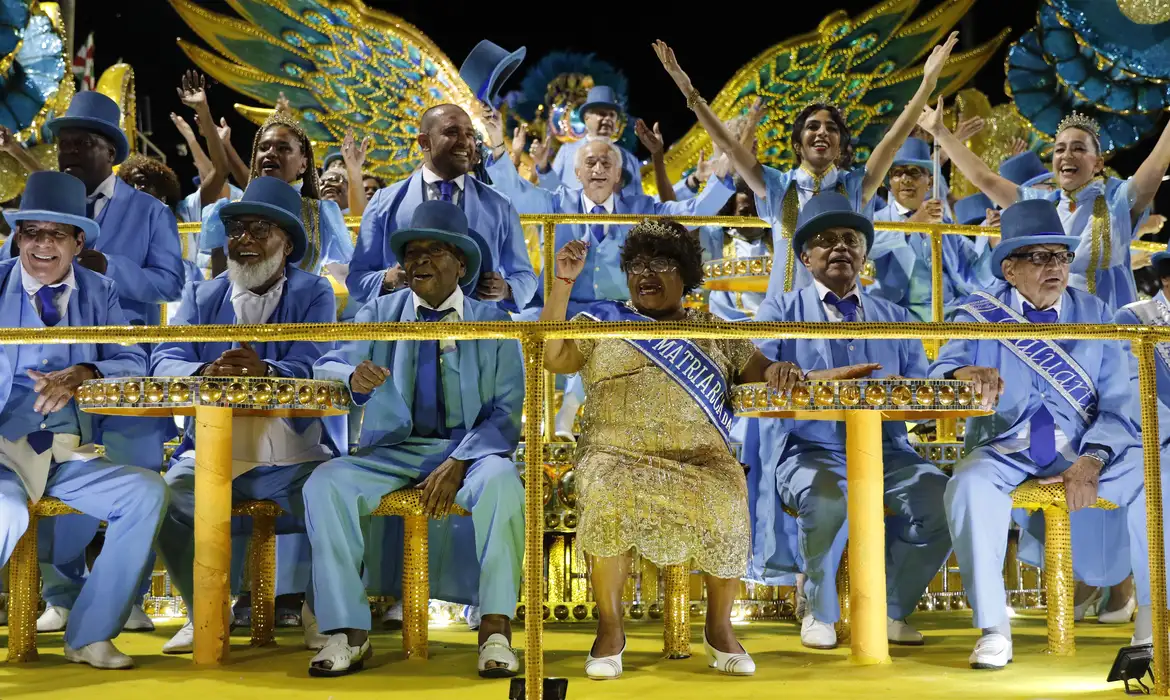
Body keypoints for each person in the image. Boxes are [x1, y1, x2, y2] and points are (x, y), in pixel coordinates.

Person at [542, 219, 804, 679]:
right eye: (638, 265)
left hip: (701, 461)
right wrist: (562, 284)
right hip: (614, 456)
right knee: (605, 495)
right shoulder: (604, 321)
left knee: (728, 498)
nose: (647, 273)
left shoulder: (712, 328)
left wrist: (781, 370)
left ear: (685, 275)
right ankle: (610, 630)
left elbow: (761, 369)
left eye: (661, 263)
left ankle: (719, 629)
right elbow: (553, 355)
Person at [930, 199, 1152, 669]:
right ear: (1010, 270)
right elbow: (942, 368)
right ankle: (994, 627)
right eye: (1040, 257)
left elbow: (1119, 402)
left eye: (1061, 256)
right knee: (967, 485)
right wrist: (964, 372)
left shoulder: (1095, 312)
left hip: (1087, 448)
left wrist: (1092, 459)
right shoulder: (975, 315)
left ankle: (1153, 621)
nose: (1054, 267)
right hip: (1005, 447)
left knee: (1161, 475)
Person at [306, 201, 524, 678]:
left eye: (436, 250)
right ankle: (348, 631)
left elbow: (508, 413)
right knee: (325, 483)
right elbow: (327, 363)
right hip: (395, 452)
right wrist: (352, 377)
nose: (420, 260)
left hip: (471, 451)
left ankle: (495, 632)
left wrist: (462, 460)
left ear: (461, 264)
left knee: (504, 480)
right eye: (412, 252)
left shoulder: (496, 322)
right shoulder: (380, 310)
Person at [150, 176, 345, 653]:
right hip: (214, 456)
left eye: (261, 230)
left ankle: (323, 613)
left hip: (293, 456)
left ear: (287, 243)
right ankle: (206, 609)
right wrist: (205, 369)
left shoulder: (315, 292)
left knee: (336, 497)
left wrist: (267, 370)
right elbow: (163, 357)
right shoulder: (201, 296)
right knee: (167, 499)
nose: (245, 241)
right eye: (237, 229)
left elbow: (317, 361)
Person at [751, 192, 952, 649]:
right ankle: (819, 610)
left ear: (865, 253)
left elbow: (922, 390)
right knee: (827, 498)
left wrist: (911, 387)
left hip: (888, 452)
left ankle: (889, 608)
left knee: (942, 499)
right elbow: (756, 369)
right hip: (808, 449)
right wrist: (774, 370)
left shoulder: (896, 317)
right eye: (825, 240)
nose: (839, 247)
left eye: (850, 239)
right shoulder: (780, 310)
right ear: (805, 256)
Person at [0, 171, 166, 668]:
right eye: (32, 233)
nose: (43, 245)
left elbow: (135, 359)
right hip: (3, 455)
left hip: (68, 453)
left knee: (147, 493)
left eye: (57, 234)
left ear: (78, 242)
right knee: (4, 513)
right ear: (18, 237)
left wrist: (86, 370)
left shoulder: (101, 290)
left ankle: (89, 634)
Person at [653, 32, 960, 299]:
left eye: (831, 128)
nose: (822, 132)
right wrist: (687, 88)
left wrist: (927, 84)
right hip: (783, 316)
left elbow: (892, 141)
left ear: (839, 146)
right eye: (812, 126)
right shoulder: (775, 185)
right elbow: (731, 146)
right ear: (798, 144)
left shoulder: (855, 186)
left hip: (841, 313)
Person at [919, 103, 1170, 311]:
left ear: (1098, 164)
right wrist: (940, 132)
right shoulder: (1041, 206)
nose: (1066, 155)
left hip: (1109, 340)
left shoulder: (1117, 201)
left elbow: (1158, 162)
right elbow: (984, 178)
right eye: (1059, 149)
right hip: (1055, 340)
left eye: (1079, 148)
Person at [348, 103, 536, 312]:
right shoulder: (385, 202)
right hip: (406, 332)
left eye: (470, 134)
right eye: (452, 132)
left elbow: (525, 276)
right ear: (424, 142)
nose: (465, 142)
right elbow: (357, 279)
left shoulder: (500, 205)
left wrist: (506, 289)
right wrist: (387, 280)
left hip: (477, 334)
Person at [198, 108, 353, 281]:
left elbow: (346, 277)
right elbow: (219, 284)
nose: (270, 153)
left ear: (303, 163)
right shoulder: (227, 213)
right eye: (263, 148)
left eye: (283, 148)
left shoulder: (322, 215)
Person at [868, 138, 993, 322]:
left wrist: (992, 243)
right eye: (897, 173)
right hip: (897, 319)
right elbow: (867, 250)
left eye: (914, 172)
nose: (905, 179)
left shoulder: (944, 223)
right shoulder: (878, 221)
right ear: (888, 183)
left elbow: (975, 276)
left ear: (930, 182)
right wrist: (915, 221)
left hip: (950, 318)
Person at [537, 86, 643, 198]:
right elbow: (550, 192)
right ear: (586, 118)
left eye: (612, 115)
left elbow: (639, 205)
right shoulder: (567, 152)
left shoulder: (630, 160)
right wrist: (543, 167)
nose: (607, 119)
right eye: (601, 114)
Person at [698, 178, 771, 321]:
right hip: (731, 328)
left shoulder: (777, 238)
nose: (751, 217)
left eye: (756, 211)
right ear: (731, 214)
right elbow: (688, 224)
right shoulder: (717, 239)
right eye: (744, 212)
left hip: (775, 325)